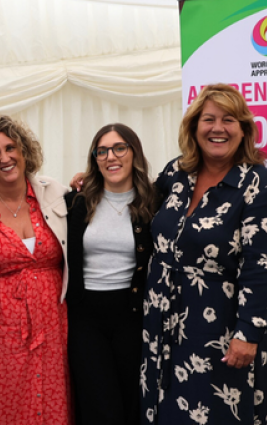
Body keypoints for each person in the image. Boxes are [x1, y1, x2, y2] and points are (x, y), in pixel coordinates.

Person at [140, 84, 267, 424]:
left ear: (244, 130)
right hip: (161, 323)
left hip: (220, 330)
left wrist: (247, 333)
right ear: (194, 127)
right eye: (208, 119)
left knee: (216, 411)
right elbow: (140, 205)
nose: (217, 128)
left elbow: (264, 268)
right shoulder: (176, 173)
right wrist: (97, 182)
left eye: (228, 120)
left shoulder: (260, 185)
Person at [0, 115, 71, 425]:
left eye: (10, 148)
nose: (5, 158)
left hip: (51, 323)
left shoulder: (55, 193)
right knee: (5, 404)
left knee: (50, 399)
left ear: (24, 151)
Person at [65, 123, 156, 425]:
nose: (110, 157)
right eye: (102, 151)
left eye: (119, 148)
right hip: (86, 318)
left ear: (134, 153)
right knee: (98, 406)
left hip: (132, 315)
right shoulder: (77, 202)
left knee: (131, 403)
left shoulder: (154, 202)